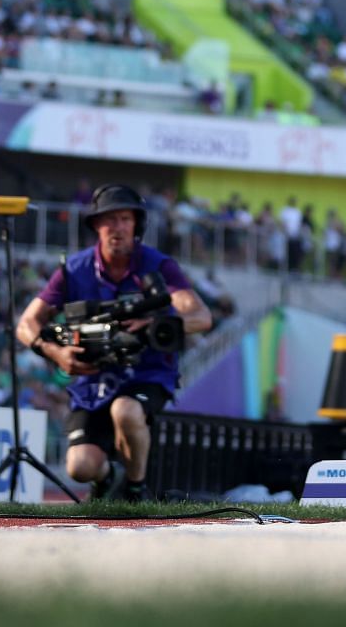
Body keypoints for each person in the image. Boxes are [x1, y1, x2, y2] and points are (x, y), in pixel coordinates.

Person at [16, 184, 213, 502]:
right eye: (109, 220)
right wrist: (56, 352)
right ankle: (110, 478)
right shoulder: (73, 270)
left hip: (147, 373)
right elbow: (26, 324)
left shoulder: (159, 265)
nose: (117, 227)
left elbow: (202, 317)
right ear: (96, 226)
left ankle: (135, 490)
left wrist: (156, 324)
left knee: (126, 409)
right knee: (79, 467)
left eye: (125, 219)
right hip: (94, 380)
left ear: (137, 225)